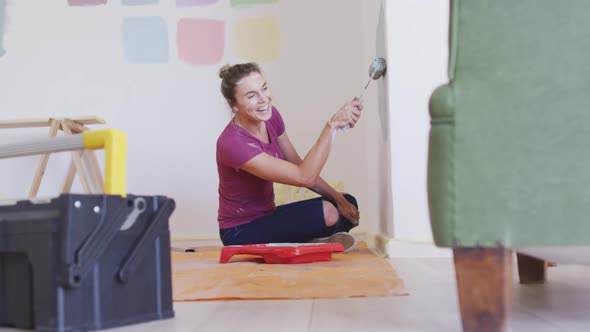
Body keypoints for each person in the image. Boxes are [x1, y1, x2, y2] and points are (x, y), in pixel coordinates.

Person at [216, 62, 363, 252]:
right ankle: (305, 243)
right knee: (328, 212)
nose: (264, 99)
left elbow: (298, 165)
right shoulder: (233, 143)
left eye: (265, 88)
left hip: (269, 215)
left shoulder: (271, 117)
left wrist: (340, 200)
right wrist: (331, 125)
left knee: (347, 202)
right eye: (251, 96)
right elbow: (304, 176)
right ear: (233, 104)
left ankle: (303, 242)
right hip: (240, 230)